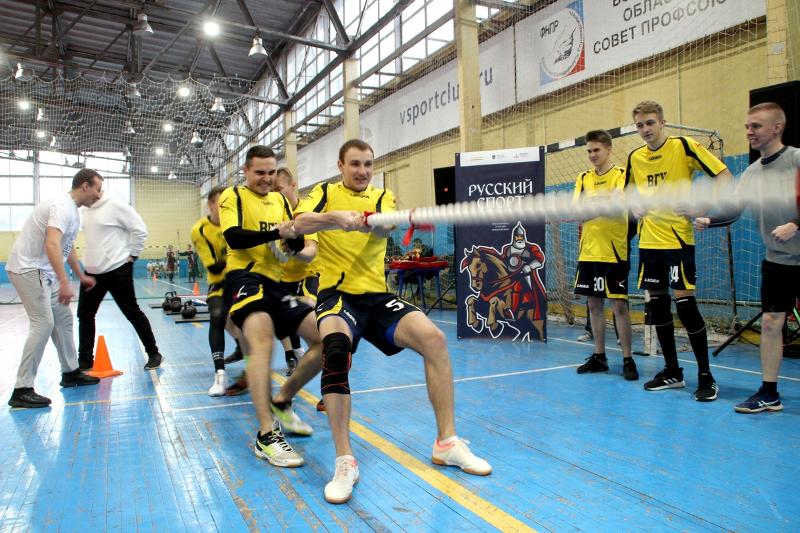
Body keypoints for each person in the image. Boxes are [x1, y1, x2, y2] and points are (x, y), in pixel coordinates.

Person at [293, 139, 491, 505]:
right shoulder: (324, 193)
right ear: (340, 165)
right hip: (338, 294)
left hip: (377, 296)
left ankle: (446, 442)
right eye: (355, 164)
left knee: (434, 339)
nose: (363, 171)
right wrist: (335, 218)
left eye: (368, 164)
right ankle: (345, 461)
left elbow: (384, 230)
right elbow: (298, 223)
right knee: (335, 352)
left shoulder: (383, 198)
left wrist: (380, 224)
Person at [218, 145, 323, 468]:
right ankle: (266, 434)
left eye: (270, 172)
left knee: (327, 339)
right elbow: (234, 237)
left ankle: (282, 398)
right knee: (262, 341)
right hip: (244, 278)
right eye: (259, 172)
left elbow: (292, 243)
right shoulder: (234, 196)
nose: (266, 178)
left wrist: (295, 236)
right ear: (246, 171)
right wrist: (278, 231)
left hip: (277, 283)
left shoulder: (280, 201)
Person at [696, 102, 800, 413]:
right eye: (747, 127)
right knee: (770, 323)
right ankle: (769, 393)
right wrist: (710, 220)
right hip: (778, 261)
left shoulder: (796, 159)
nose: (749, 132)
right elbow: (734, 211)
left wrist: (796, 223)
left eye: (756, 126)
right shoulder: (752, 173)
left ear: (777, 128)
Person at [626, 100, 733, 400]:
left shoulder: (684, 147)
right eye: (640, 125)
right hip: (649, 243)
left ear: (663, 122)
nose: (645, 129)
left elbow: (724, 176)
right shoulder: (635, 157)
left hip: (677, 241)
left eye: (650, 122)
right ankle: (672, 371)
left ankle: (706, 376)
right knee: (658, 307)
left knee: (686, 307)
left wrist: (703, 207)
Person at [6, 168, 102, 408]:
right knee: (43, 323)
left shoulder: (73, 212)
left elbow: (67, 248)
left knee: (63, 318)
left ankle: (71, 373)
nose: (99, 195)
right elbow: (52, 243)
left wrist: (80, 275)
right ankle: (22, 389)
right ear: (85, 186)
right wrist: (64, 282)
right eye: (98, 189)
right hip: (28, 268)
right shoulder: (61, 206)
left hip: (43, 271)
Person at [572, 129, 637, 380]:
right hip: (589, 251)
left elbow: (617, 207)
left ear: (608, 149)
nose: (592, 155)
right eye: (589, 151)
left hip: (614, 251)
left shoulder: (622, 175)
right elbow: (577, 214)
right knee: (593, 304)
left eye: (596, 150)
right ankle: (599, 357)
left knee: (619, 304)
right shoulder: (583, 178)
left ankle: (628, 359)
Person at [77, 190, 164, 371]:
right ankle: (85, 360)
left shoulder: (116, 204)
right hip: (92, 270)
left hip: (117, 269)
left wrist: (133, 255)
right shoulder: (84, 210)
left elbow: (140, 229)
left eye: (100, 188)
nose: (99, 191)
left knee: (132, 312)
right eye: (97, 187)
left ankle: (154, 353)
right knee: (85, 314)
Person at [191, 186, 244, 395]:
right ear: (211, 205)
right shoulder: (201, 229)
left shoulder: (240, 222)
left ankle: (290, 355)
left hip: (242, 281)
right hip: (220, 282)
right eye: (222, 205)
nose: (226, 209)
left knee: (255, 319)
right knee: (217, 315)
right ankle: (220, 374)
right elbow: (213, 267)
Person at [273, 167, 319, 376]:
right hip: (282, 276)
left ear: (293, 186)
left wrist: (294, 252)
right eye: (272, 191)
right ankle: (292, 354)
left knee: (308, 311)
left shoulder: (305, 212)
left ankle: (315, 354)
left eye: (279, 189)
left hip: (308, 273)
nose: (275, 194)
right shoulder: (272, 212)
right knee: (279, 313)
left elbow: (310, 252)